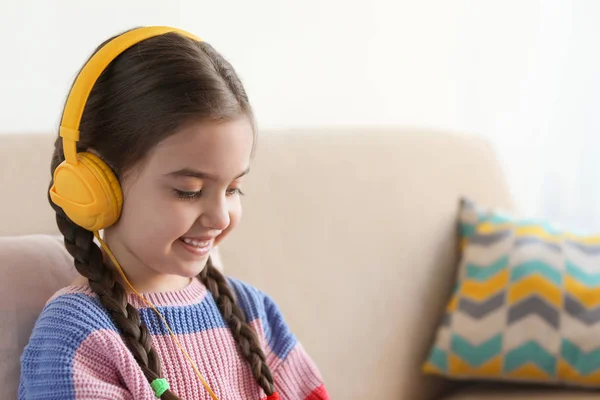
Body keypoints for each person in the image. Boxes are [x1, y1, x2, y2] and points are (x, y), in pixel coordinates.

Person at [19, 26, 328, 400]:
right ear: (98, 186)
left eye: (233, 188)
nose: (220, 216)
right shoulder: (79, 334)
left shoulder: (254, 313)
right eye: (190, 191)